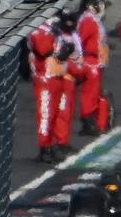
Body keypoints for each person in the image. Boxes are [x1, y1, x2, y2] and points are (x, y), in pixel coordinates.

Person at [26, 11, 81, 162]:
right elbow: (44, 49)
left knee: (56, 114)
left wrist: (65, 50)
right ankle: (45, 148)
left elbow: (64, 51)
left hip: (57, 76)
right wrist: (62, 51)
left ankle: (52, 145)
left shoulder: (55, 29)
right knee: (46, 114)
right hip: (45, 77)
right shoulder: (38, 29)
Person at [74, 0, 108, 134]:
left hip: (96, 60)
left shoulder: (93, 19)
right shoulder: (88, 20)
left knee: (94, 92)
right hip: (90, 60)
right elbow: (80, 40)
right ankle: (88, 122)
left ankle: (92, 121)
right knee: (90, 93)